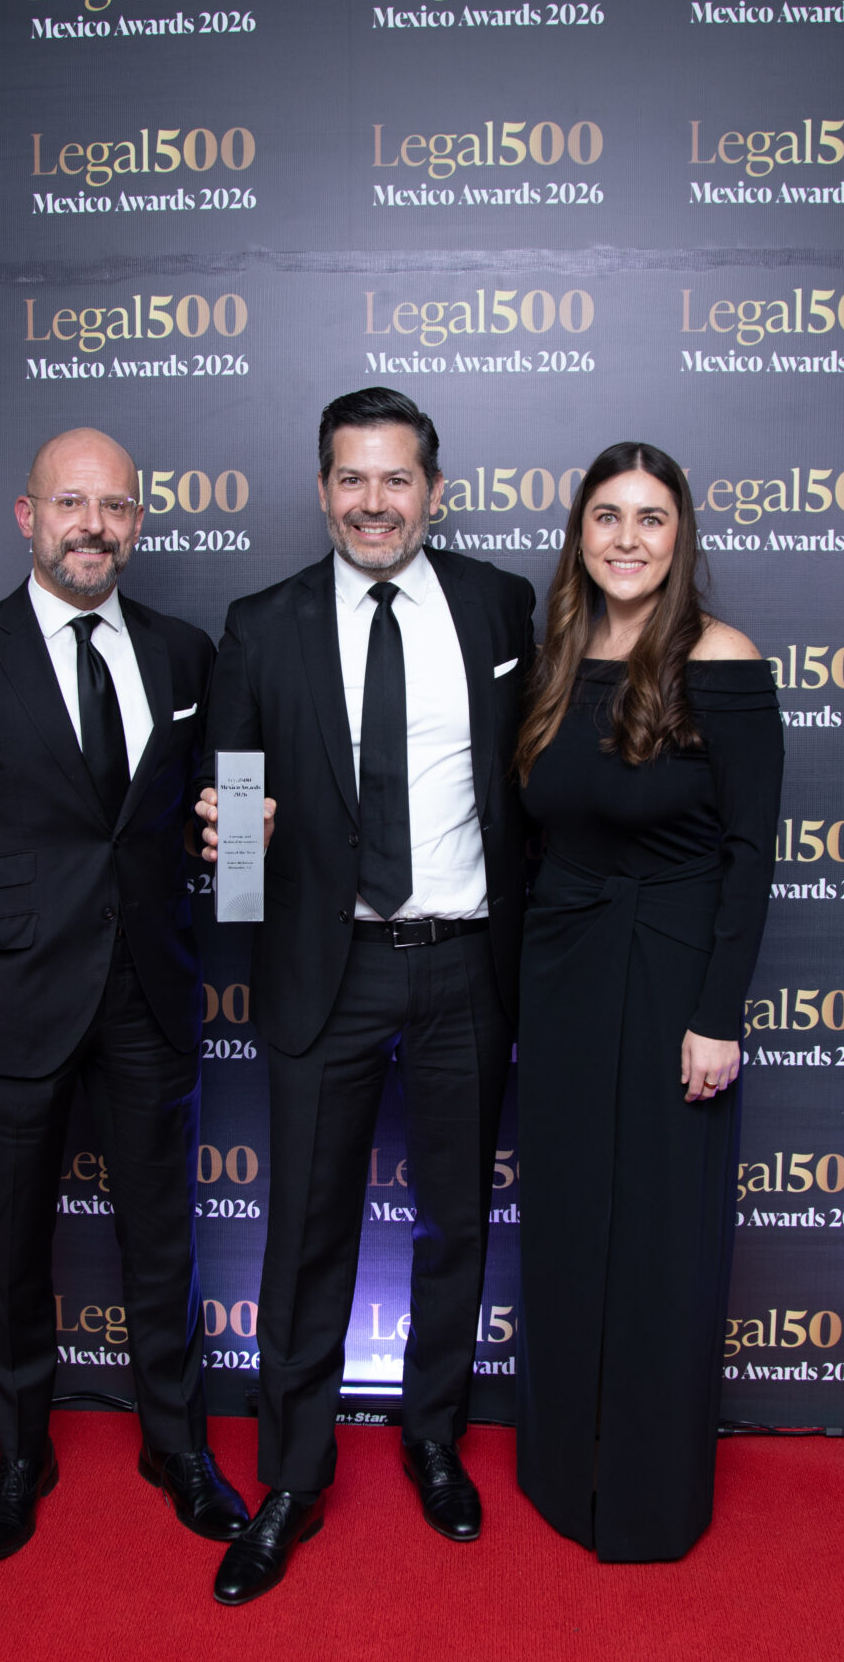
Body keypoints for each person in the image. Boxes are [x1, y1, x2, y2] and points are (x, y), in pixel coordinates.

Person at [0, 427, 250, 1563]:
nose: (94, 525)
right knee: (11, 1247)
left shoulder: (185, 655)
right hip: (10, 1001)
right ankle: (20, 1455)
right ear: (27, 516)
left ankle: (175, 1447)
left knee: (163, 1241)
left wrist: (239, 854)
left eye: (115, 506)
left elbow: (228, 806)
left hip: (148, 993)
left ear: (138, 523)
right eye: (71, 503)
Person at [191, 388, 536, 1605]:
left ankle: (434, 1437)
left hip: (465, 960)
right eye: (351, 478)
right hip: (323, 968)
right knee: (304, 1236)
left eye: (396, 479)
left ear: (434, 493)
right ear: (322, 490)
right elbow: (235, 822)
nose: (373, 503)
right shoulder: (261, 624)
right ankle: (292, 1476)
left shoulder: (500, 605)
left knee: (455, 1221)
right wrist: (237, 845)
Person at [509, 441, 782, 1563]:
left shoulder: (721, 657)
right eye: (607, 516)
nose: (627, 539)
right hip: (563, 974)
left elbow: (750, 854)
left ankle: (644, 1497)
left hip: (674, 979)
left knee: (661, 1239)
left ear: (682, 536)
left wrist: (717, 1014)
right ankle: (558, 1470)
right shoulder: (555, 659)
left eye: (651, 518)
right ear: (579, 531)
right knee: (569, 1223)